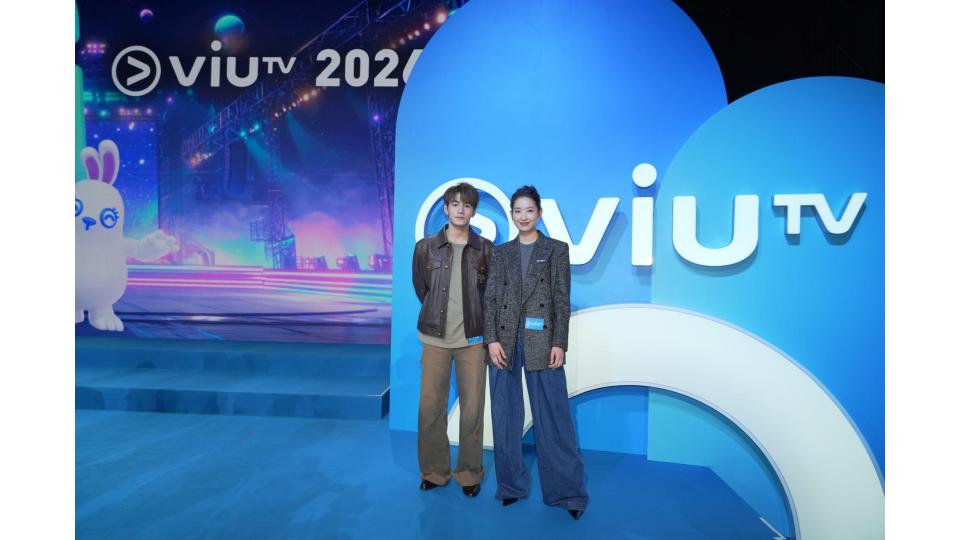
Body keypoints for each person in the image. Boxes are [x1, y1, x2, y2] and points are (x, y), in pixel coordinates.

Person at [483, 185, 588, 520]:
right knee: (504, 416)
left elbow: (561, 301)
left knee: (554, 417)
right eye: (518, 211)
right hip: (504, 341)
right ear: (512, 214)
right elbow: (490, 299)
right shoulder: (500, 253)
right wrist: (491, 340)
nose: (523, 216)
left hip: (542, 340)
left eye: (529, 210)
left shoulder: (556, 249)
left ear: (539, 213)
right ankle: (510, 486)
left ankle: (567, 492)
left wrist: (560, 343)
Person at [412, 182, 494, 497]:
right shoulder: (425, 248)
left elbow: (490, 295)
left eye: (467, 205)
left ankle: (469, 472)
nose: (461, 210)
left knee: (472, 410)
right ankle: (434, 471)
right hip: (434, 339)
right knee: (430, 408)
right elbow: (422, 288)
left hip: (473, 340)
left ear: (473, 211)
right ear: (446, 208)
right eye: (455, 204)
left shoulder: (485, 249)